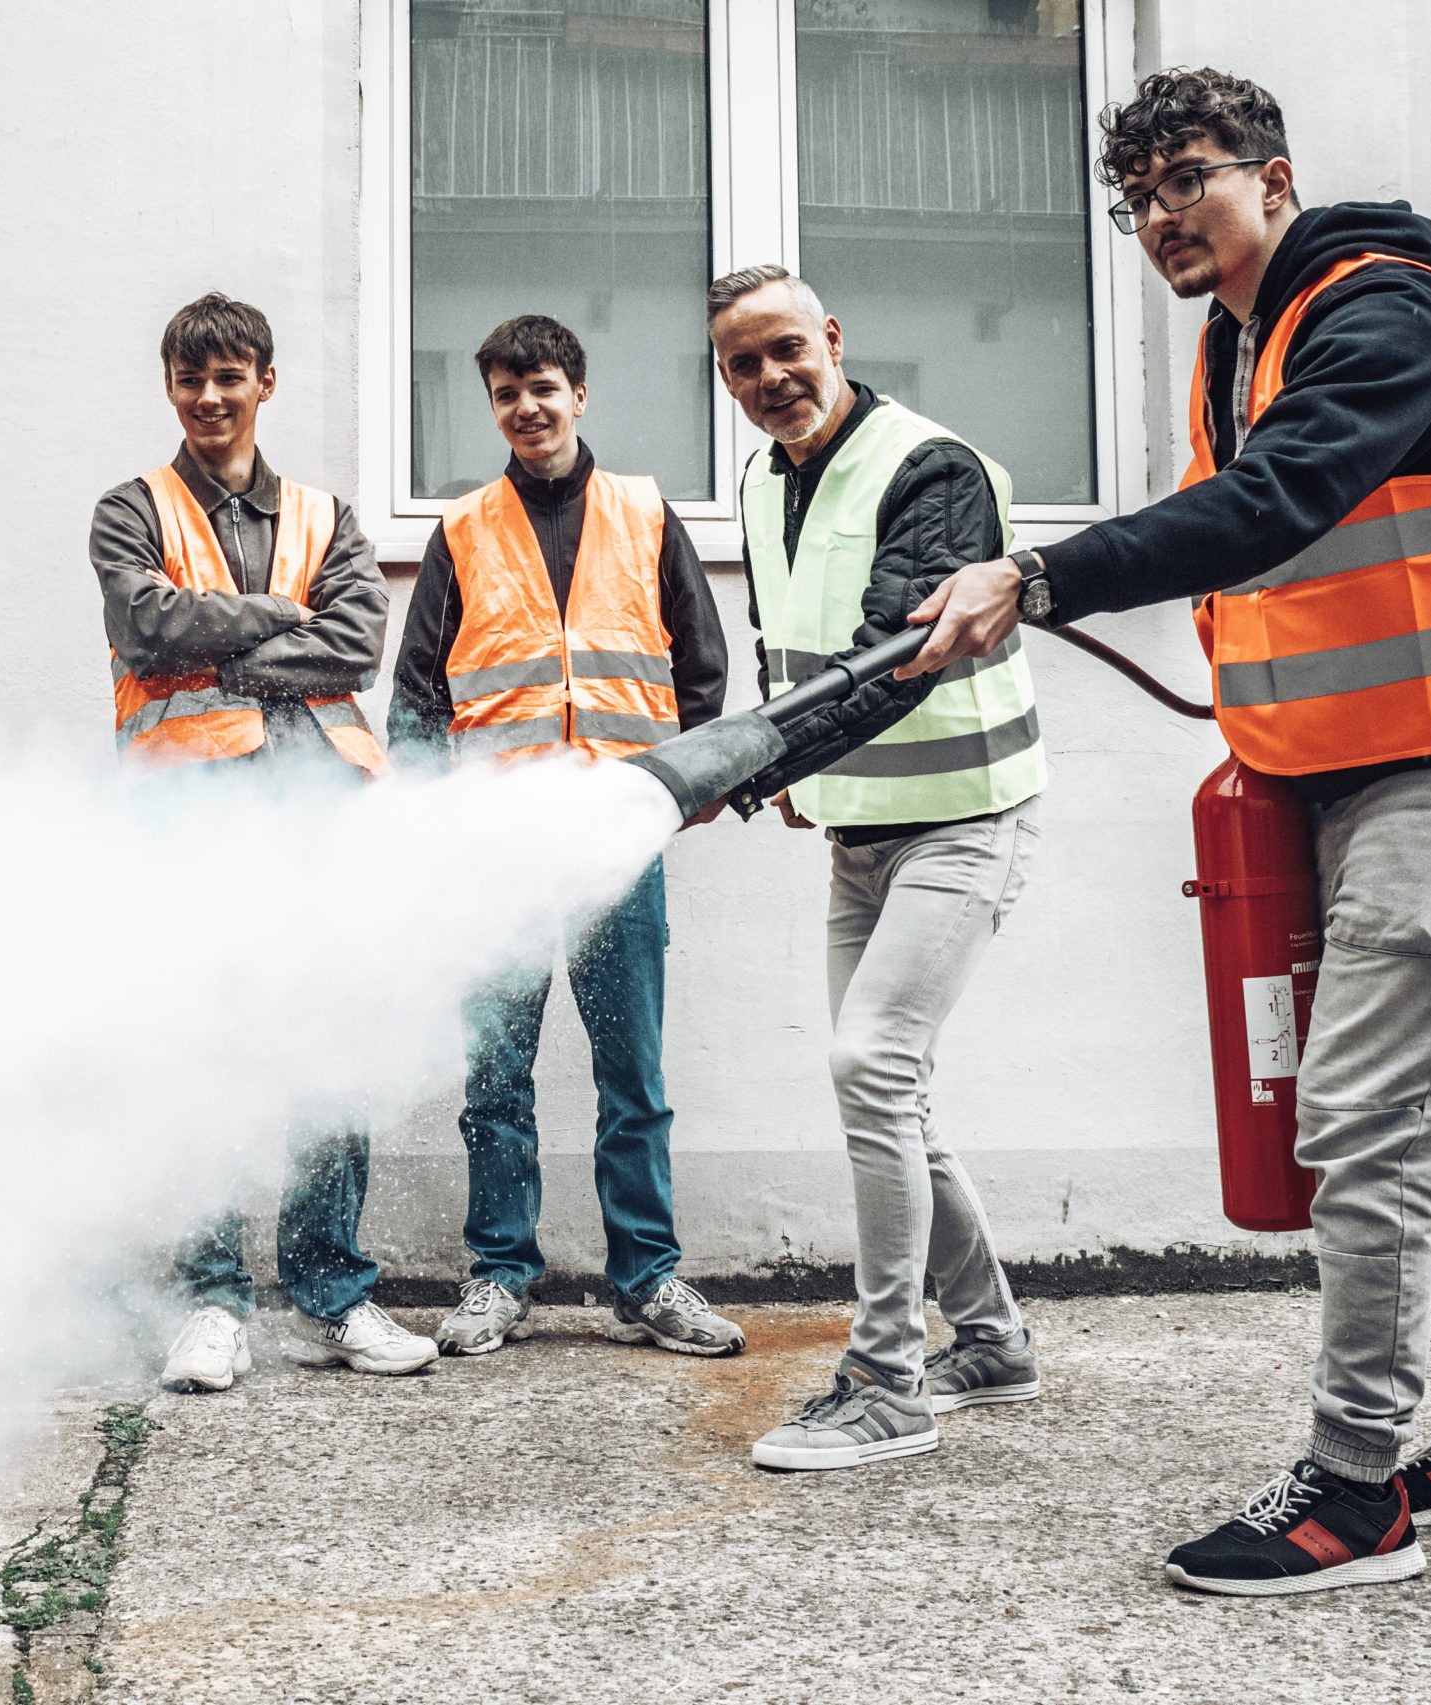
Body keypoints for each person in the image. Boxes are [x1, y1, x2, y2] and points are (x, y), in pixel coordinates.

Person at [900, 69, 1431, 1594]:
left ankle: (1355, 1491)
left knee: (1356, 1131)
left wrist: (1045, 578)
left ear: (1273, 177)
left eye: (1187, 182)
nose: (1159, 219)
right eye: (1135, 199)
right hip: (1344, 774)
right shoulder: (1245, 341)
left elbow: (1279, 502)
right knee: (1426, 1125)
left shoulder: (1384, 314)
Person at [695, 266, 1047, 1473]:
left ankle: (888, 1377)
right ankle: (990, 1343)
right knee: (883, 1090)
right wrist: (787, 770)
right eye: (741, 364)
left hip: (963, 813)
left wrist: (733, 770)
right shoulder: (757, 477)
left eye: (785, 350)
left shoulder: (931, 469)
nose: (768, 380)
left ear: (832, 337)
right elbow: (782, 641)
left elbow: (897, 656)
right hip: (859, 831)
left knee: (869, 1064)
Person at [90, 290, 440, 1390]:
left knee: (329, 1053)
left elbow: (355, 653)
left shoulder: (328, 516)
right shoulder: (129, 508)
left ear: (265, 384)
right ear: (169, 387)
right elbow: (143, 626)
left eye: (228, 377)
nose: (208, 398)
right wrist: (282, 618)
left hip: (321, 817)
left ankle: (332, 1292)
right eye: (190, 380)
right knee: (206, 1054)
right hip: (191, 822)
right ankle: (211, 1300)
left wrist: (225, 638)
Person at [387, 313, 743, 1360]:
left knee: (631, 1076)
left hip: (614, 842)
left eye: (541, 386)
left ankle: (649, 1278)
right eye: (505, 393)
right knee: (495, 1081)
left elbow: (701, 668)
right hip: (498, 852)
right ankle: (499, 1276)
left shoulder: (641, 510)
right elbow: (415, 698)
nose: (526, 408)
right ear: (491, 408)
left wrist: (681, 790)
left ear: (577, 394)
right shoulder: (461, 530)